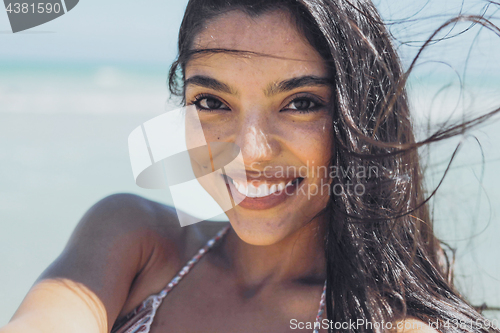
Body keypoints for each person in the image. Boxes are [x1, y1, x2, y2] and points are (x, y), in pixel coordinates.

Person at [1, 0, 499, 332]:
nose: (251, 151)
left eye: (301, 102)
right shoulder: (133, 241)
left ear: (358, 115)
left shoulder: (390, 324)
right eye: (213, 101)